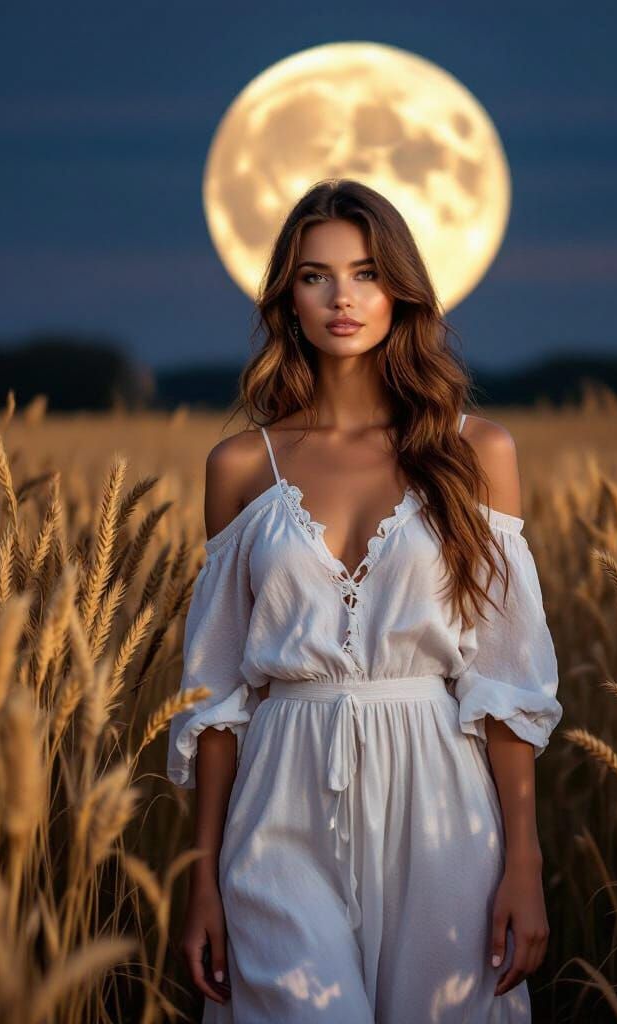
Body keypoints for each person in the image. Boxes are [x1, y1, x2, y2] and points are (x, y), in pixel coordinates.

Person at [167, 179, 563, 1023]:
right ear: (288, 298)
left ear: (401, 291)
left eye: (366, 273)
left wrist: (522, 862)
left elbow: (505, 683)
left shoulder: (474, 451)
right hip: (281, 793)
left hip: (440, 802)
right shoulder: (241, 467)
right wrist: (201, 877)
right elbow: (218, 698)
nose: (342, 297)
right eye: (316, 276)